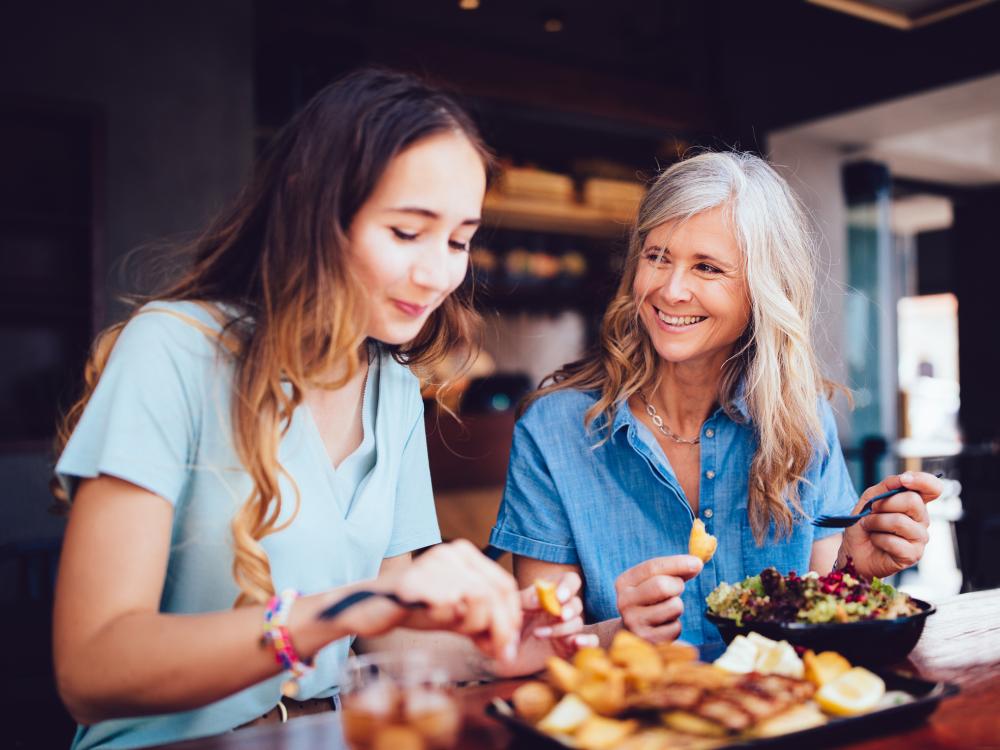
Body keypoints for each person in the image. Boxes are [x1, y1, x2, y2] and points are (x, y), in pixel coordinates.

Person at [52, 68, 592, 750]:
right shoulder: (172, 351)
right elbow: (92, 669)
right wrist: (336, 611)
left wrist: (495, 647)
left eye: (458, 241)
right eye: (406, 232)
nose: (437, 274)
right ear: (314, 209)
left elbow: (386, 627)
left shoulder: (391, 386)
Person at [489, 151, 943, 647]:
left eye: (706, 267)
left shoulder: (802, 421)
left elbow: (820, 621)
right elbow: (537, 644)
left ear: (763, 289)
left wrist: (853, 569)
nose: (671, 289)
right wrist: (621, 633)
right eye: (657, 256)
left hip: (785, 718)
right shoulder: (553, 430)